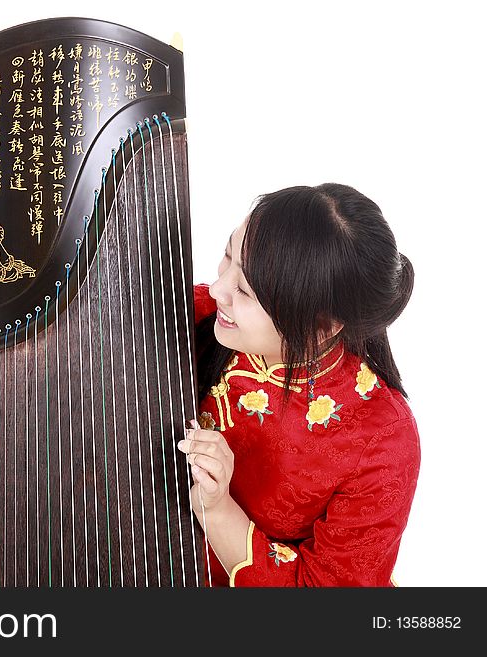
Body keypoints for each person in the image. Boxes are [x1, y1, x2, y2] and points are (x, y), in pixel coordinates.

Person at [177, 183, 419, 586]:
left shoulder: (382, 438)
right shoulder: (200, 313)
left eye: (246, 291)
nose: (218, 289)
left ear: (322, 326)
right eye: (227, 255)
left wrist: (217, 510)